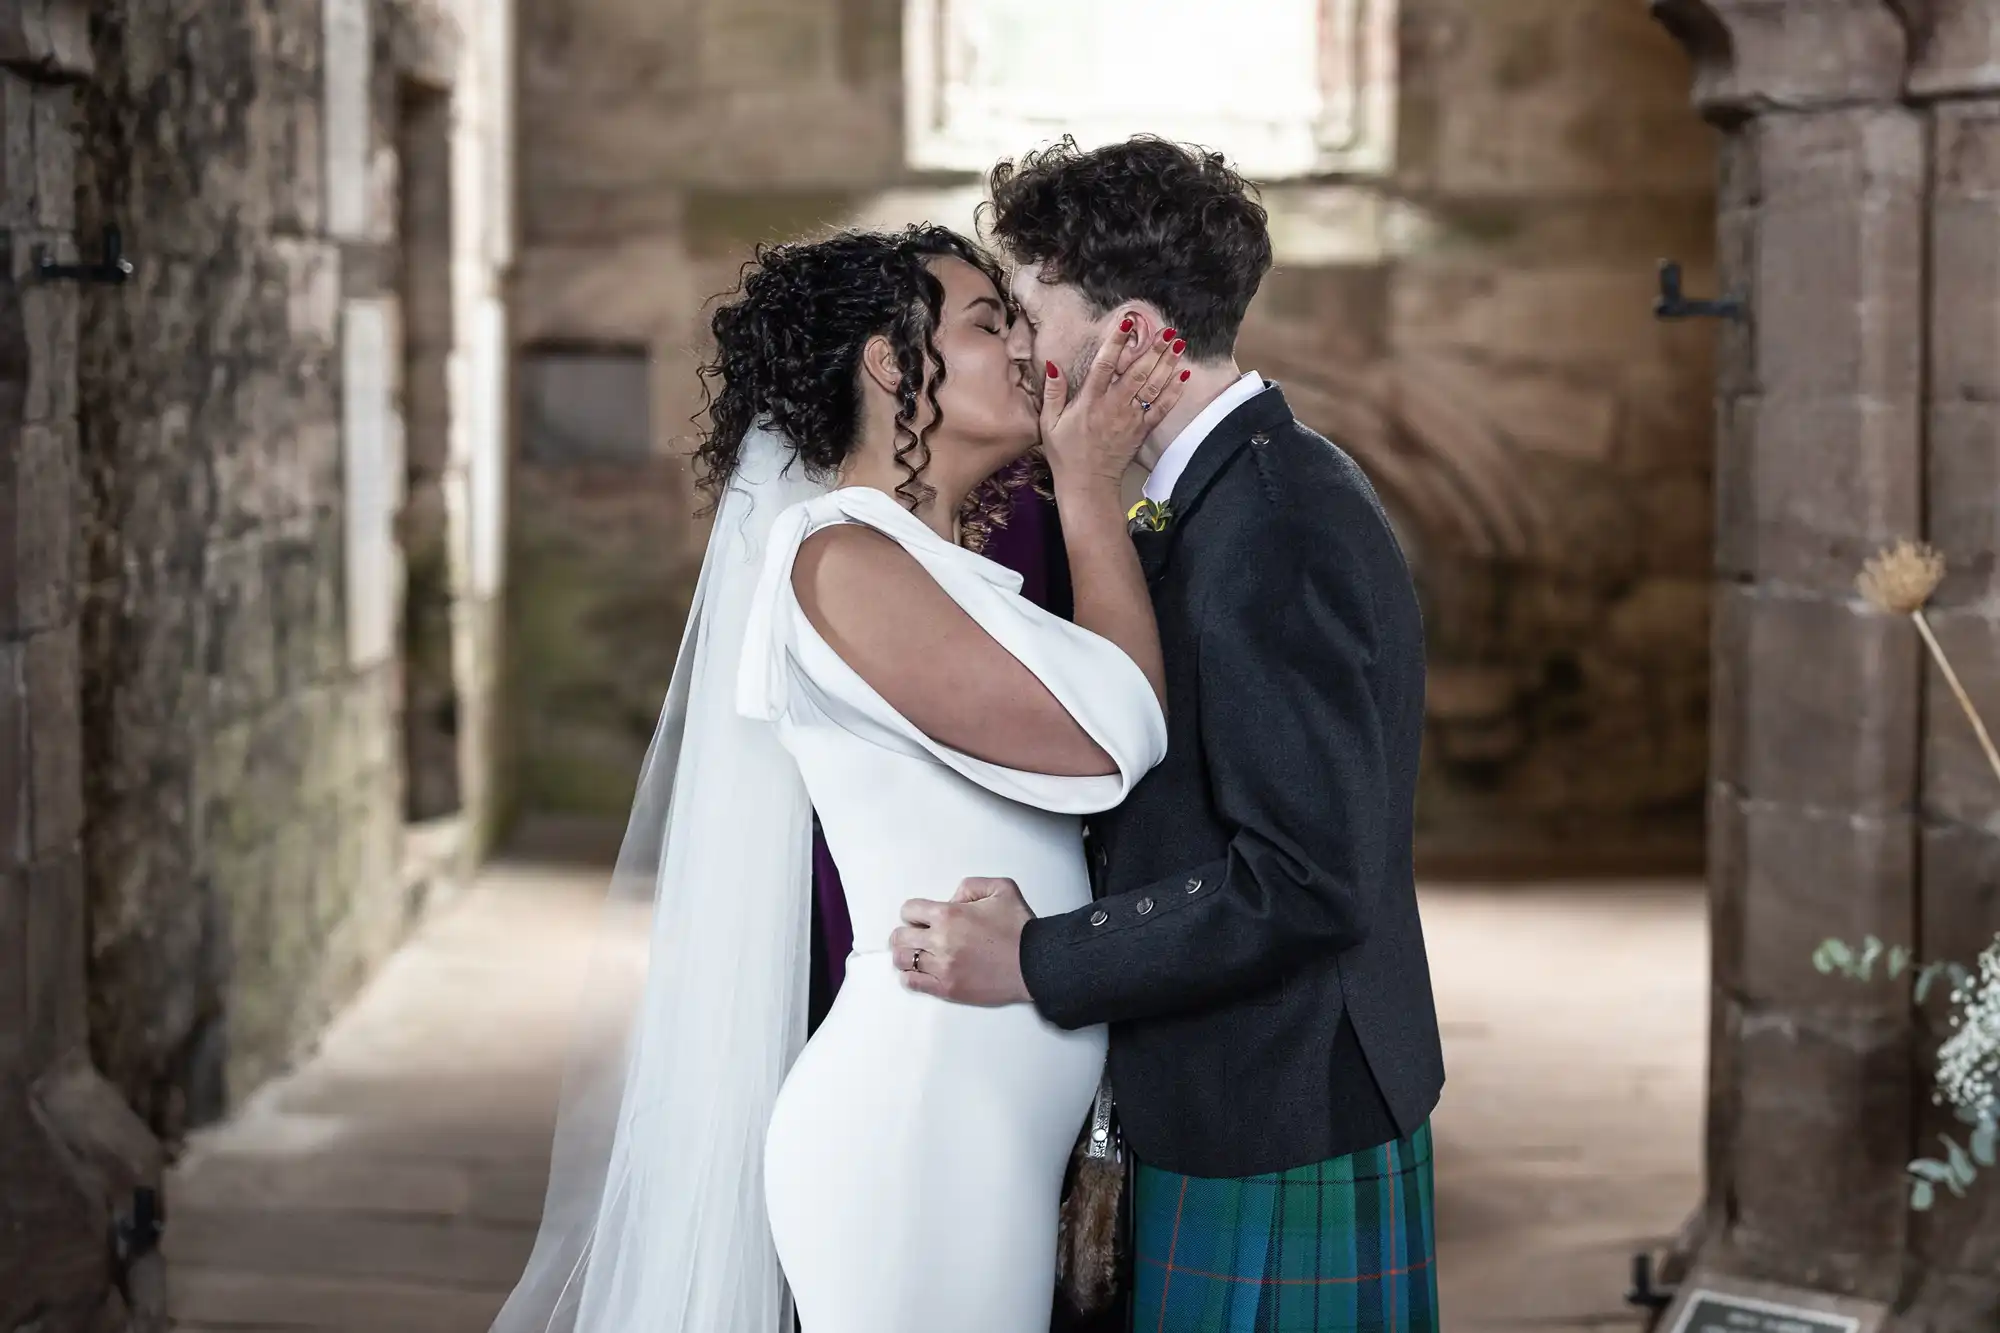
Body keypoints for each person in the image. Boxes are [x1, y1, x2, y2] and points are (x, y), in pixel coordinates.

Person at [488, 223, 1190, 1333]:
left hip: (976, 1115)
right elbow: (1113, 742)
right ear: (884, 359)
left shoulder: (940, 567)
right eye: (982, 321)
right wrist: (1088, 483)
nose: (1019, 347)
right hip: (916, 1120)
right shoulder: (842, 559)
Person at [890, 137, 1447, 1332]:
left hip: (1278, 1104)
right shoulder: (1229, 494)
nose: (1024, 362)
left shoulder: (1273, 525)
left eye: (1028, 315)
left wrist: (1041, 959)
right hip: (1239, 1087)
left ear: (1135, 336)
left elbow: (1302, 881)